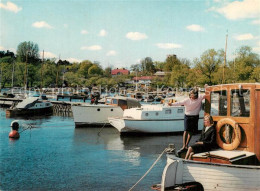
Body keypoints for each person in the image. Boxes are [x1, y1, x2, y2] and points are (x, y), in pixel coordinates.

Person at [168, 86, 206, 154]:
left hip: (195, 116)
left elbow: (207, 94)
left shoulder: (200, 97)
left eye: (194, 95)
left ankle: (186, 145)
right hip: (187, 116)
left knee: (191, 132)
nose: (193, 96)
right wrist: (171, 104)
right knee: (186, 130)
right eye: (192, 94)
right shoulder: (187, 100)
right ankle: (184, 146)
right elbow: (179, 103)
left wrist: (207, 87)